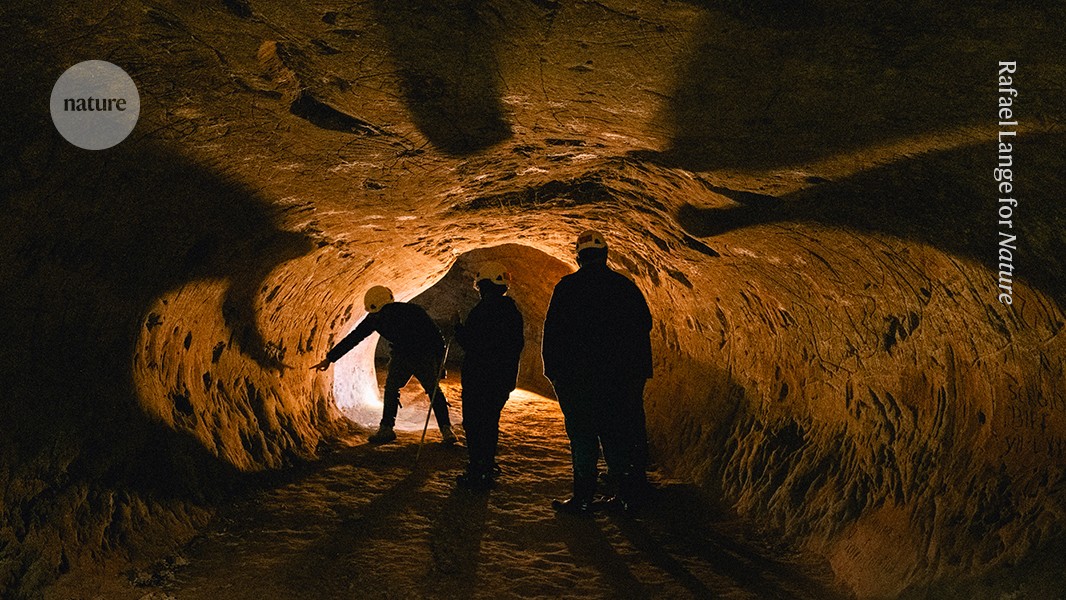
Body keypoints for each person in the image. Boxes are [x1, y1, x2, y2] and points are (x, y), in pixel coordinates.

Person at [542, 230, 653, 514]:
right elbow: (644, 326)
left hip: (578, 380)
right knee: (616, 435)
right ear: (605, 256)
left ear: (579, 257)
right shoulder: (624, 287)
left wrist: (553, 373)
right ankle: (624, 496)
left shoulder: (567, 288)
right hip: (617, 380)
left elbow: (552, 333)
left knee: (582, 436)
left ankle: (583, 498)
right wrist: (634, 375)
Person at [312, 285, 456, 445]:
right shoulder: (404, 312)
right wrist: (330, 358)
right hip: (411, 356)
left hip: (415, 355)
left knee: (407, 390)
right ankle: (443, 430)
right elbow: (438, 338)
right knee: (425, 390)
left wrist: (330, 359)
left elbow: (354, 338)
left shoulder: (383, 316)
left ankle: (392, 428)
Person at [453, 261, 525, 489]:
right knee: (490, 423)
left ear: (483, 285)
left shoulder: (483, 311)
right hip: (502, 380)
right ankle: (487, 465)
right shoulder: (512, 312)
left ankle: (478, 472)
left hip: (479, 379)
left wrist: (457, 328)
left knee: (475, 424)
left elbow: (472, 343)